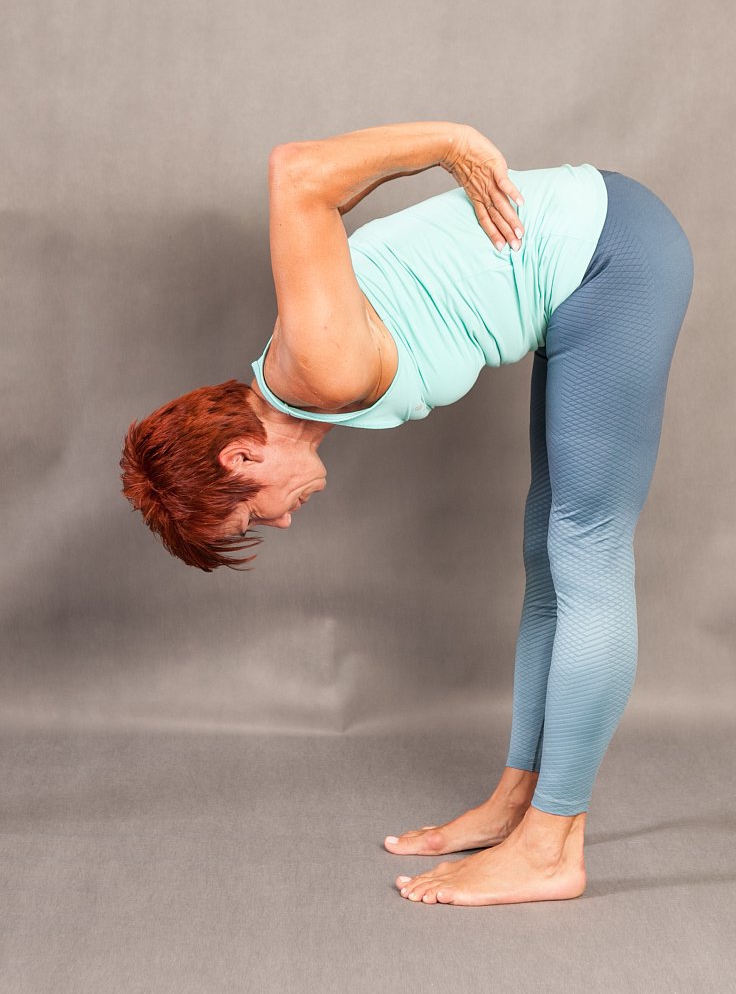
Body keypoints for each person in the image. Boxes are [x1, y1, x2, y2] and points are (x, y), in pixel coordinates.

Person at [121, 122, 694, 906]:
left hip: (612, 258)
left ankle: (552, 845)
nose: (281, 524)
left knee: (587, 548)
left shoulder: (318, 364)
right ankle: (517, 802)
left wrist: (450, 144)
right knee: (548, 555)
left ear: (241, 460)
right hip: (580, 278)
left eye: (252, 517)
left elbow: (297, 174)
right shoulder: (304, 374)